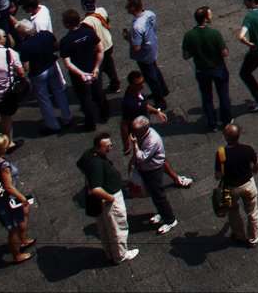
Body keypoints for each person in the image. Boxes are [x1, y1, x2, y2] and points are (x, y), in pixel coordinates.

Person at [77, 131, 137, 264]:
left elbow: (80, 165)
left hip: (99, 200)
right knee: (118, 228)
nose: (110, 149)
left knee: (104, 228)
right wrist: (110, 198)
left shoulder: (88, 153)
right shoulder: (97, 164)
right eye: (106, 147)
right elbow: (96, 189)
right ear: (97, 148)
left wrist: (91, 176)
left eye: (111, 145)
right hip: (110, 197)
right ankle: (120, 255)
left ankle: (110, 252)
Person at [129, 113, 191, 234]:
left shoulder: (152, 140)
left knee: (159, 195)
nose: (133, 133)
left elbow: (141, 158)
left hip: (153, 170)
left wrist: (134, 145)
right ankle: (162, 212)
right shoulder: (144, 134)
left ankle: (170, 220)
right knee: (154, 193)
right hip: (147, 169)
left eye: (135, 130)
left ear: (143, 130)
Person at [0, 132, 32, 263]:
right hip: (8, 199)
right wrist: (23, 199)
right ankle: (17, 255)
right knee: (13, 228)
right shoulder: (4, 166)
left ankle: (24, 241)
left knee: (21, 217)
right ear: (4, 148)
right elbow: (9, 187)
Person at [181, 6, 232, 131]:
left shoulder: (189, 35)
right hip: (218, 68)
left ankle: (212, 123)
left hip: (202, 70)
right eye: (210, 15)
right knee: (223, 95)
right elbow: (224, 53)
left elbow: (186, 55)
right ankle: (226, 121)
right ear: (205, 19)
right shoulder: (215, 33)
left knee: (207, 97)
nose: (211, 17)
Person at [215, 123, 258, 248]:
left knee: (234, 211)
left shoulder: (221, 154)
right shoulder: (247, 149)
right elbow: (257, 162)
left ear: (227, 138)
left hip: (231, 189)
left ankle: (239, 235)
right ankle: (253, 239)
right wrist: (255, 169)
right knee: (252, 213)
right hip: (248, 185)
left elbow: (217, 176)